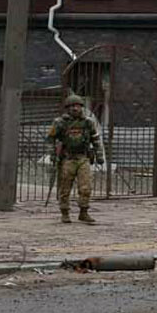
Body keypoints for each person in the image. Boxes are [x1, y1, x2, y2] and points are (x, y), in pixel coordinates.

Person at [47, 94, 104, 224]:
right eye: (71, 106)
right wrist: (52, 154)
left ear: (81, 107)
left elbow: (95, 139)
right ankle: (65, 212)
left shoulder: (88, 122)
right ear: (67, 108)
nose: (74, 108)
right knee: (65, 187)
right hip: (67, 159)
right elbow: (50, 138)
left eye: (77, 105)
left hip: (83, 158)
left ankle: (83, 212)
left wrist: (99, 155)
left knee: (85, 187)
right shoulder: (60, 122)